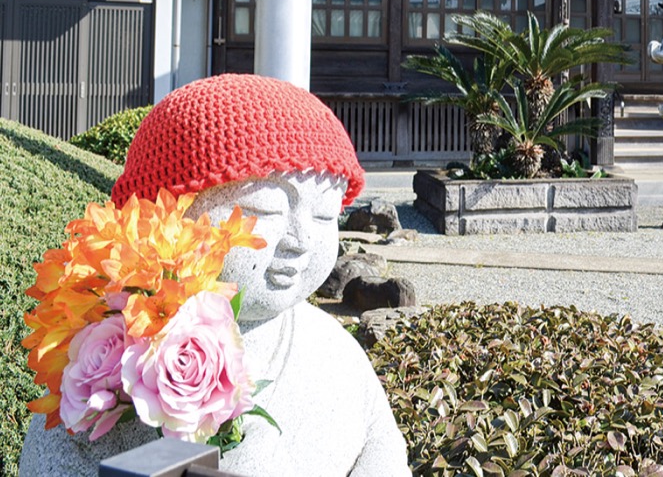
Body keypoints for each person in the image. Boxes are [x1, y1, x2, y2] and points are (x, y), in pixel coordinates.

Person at [20, 74, 411, 477]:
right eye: (266, 209)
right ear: (161, 216)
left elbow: (381, 441)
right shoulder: (100, 366)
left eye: (326, 215)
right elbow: (52, 461)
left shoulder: (333, 351)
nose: (301, 240)